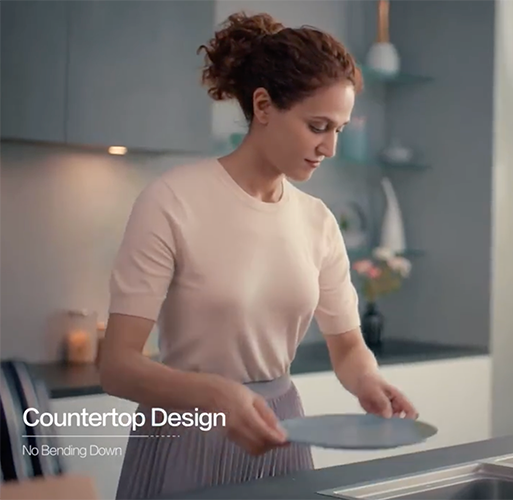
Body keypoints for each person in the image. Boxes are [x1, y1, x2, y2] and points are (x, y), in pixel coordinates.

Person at [98, 12, 418, 500]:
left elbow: (348, 346)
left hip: (282, 433)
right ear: (263, 105)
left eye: (339, 129)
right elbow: (116, 366)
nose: (330, 147)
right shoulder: (173, 200)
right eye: (318, 126)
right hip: (187, 431)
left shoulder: (317, 222)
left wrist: (367, 381)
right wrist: (213, 395)